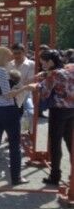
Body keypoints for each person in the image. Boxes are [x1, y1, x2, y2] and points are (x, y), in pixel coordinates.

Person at [0, 47, 31, 185]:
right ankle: (16, 177)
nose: (10, 61)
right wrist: (25, 88)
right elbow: (7, 94)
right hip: (8, 111)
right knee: (15, 144)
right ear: (3, 58)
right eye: (9, 58)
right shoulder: (1, 71)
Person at [28, 50, 74, 186]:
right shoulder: (70, 68)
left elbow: (45, 93)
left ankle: (55, 175)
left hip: (58, 111)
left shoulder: (53, 74)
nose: (43, 66)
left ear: (51, 62)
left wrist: (37, 85)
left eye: (44, 63)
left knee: (55, 143)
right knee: (70, 141)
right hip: (72, 109)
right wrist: (44, 74)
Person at [7, 44, 35, 131]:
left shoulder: (31, 64)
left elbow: (30, 81)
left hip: (25, 94)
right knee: (12, 118)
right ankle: (13, 135)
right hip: (12, 96)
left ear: (24, 52)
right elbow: (7, 80)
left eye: (19, 53)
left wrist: (18, 88)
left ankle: (27, 134)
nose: (16, 55)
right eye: (14, 53)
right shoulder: (9, 64)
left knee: (30, 113)